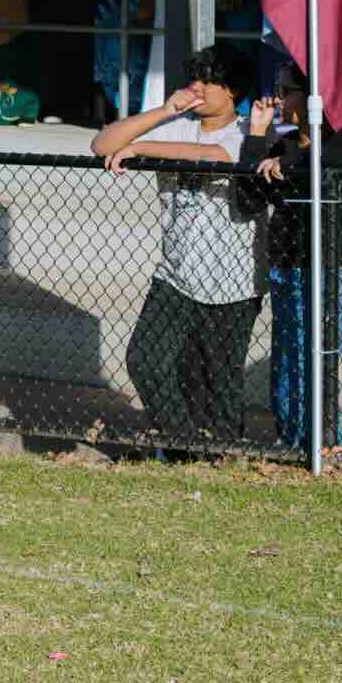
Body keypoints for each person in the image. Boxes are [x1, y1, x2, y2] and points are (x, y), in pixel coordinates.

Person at [92, 42, 265, 448]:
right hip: (176, 275)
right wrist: (165, 112)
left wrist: (141, 149)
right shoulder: (176, 125)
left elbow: (218, 157)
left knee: (220, 379)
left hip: (234, 281)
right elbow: (102, 144)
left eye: (210, 80)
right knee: (146, 360)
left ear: (233, 91)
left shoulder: (250, 133)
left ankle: (224, 454)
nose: (198, 86)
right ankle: (185, 446)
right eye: (196, 77)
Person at [237, 63, 342, 455]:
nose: (278, 98)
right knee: (287, 362)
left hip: (332, 270)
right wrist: (257, 138)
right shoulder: (283, 145)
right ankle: (291, 442)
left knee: (312, 361)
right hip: (286, 268)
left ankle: (326, 446)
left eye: (287, 90)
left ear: (314, 99)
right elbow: (248, 199)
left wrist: (291, 164)